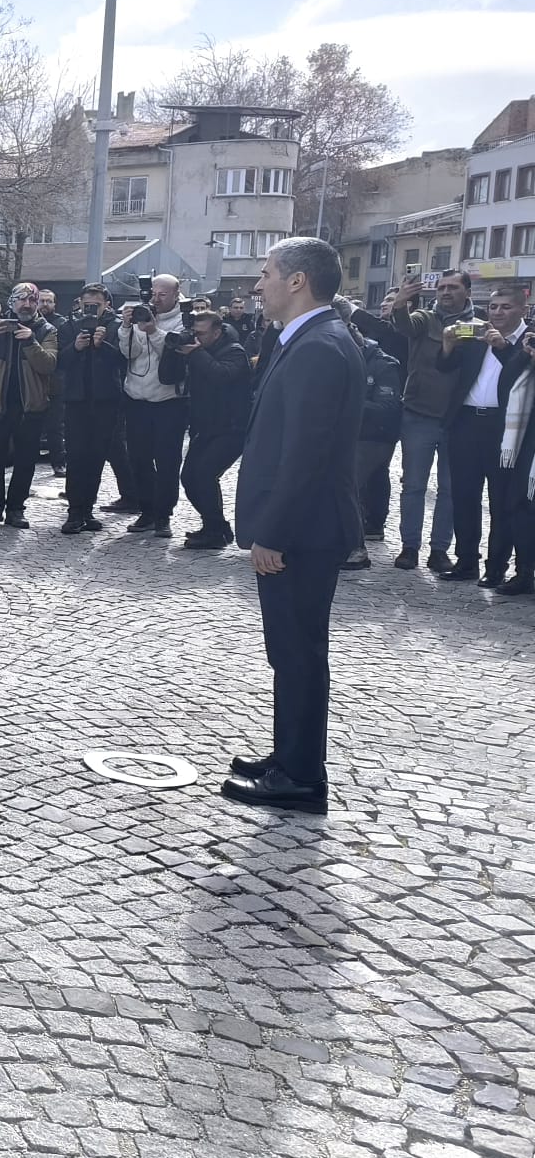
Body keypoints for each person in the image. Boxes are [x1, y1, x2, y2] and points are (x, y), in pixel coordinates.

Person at [224, 237, 363, 814]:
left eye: (266, 273)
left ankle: (302, 776)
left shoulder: (319, 347)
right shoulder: (307, 340)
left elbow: (305, 454)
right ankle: (289, 758)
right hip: (302, 528)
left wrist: (272, 533)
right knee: (290, 651)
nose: (258, 286)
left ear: (298, 280)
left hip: (301, 532)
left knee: (300, 652)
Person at [377, 271, 480, 570]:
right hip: (419, 414)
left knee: (450, 489)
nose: (446, 292)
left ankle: (440, 550)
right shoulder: (425, 318)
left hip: (458, 419)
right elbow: (404, 326)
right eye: (441, 287)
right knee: (413, 486)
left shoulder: (477, 325)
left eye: (453, 287)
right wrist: (401, 303)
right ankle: (410, 547)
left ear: (467, 291)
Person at [437, 288, 530, 583]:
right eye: (492, 307)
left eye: (505, 307)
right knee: (464, 496)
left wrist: (503, 347)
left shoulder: (527, 341)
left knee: (501, 501)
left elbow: (518, 375)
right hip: (466, 422)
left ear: (521, 310)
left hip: (503, 430)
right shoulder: (477, 336)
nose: (497, 313)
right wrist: (448, 344)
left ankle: (496, 567)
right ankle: (466, 561)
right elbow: (445, 366)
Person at [0, 283, 57, 528]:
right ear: (12, 302)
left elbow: (48, 365)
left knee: (25, 461)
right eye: (21, 300)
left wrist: (30, 342)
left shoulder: (45, 329)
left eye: (32, 300)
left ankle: (16, 508)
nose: (26, 305)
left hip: (31, 406)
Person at [173, 310, 252, 549]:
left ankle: (216, 531)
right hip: (206, 427)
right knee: (188, 477)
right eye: (193, 332)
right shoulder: (199, 350)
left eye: (201, 333)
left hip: (232, 427)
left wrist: (195, 353)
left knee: (205, 474)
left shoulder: (235, 352)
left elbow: (221, 375)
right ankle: (215, 526)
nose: (196, 337)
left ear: (217, 332)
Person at [116, 274, 188, 538]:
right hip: (136, 399)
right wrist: (126, 328)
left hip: (169, 401)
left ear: (176, 294)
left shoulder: (184, 318)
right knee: (139, 459)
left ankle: (163, 515)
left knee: (168, 461)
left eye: (162, 295)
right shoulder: (140, 315)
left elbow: (173, 353)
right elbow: (129, 354)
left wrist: (154, 331)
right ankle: (146, 510)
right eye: (153, 294)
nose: (155, 299)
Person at [56, 284, 125, 535]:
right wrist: (75, 347)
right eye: (87, 304)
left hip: (106, 400)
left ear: (106, 304)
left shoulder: (115, 327)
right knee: (76, 457)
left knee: (97, 457)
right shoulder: (68, 326)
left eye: (96, 304)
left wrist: (102, 344)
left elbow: (123, 360)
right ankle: (74, 511)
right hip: (76, 400)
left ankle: (88, 509)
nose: (91, 308)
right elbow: (59, 362)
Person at [344, 308, 404, 570]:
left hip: (376, 436)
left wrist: (350, 402)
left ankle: (356, 549)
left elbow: (388, 407)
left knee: (348, 485)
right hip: (350, 434)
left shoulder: (383, 363)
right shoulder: (346, 358)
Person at [497, 334, 535, 595]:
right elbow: (506, 383)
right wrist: (523, 355)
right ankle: (524, 572)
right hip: (528, 441)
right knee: (520, 504)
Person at [36, 289, 68, 475]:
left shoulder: (62, 324)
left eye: (49, 301)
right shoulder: (30, 323)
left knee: (55, 427)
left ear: (55, 304)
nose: (45, 304)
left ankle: (58, 462)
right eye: (42, 301)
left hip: (55, 383)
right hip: (33, 382)